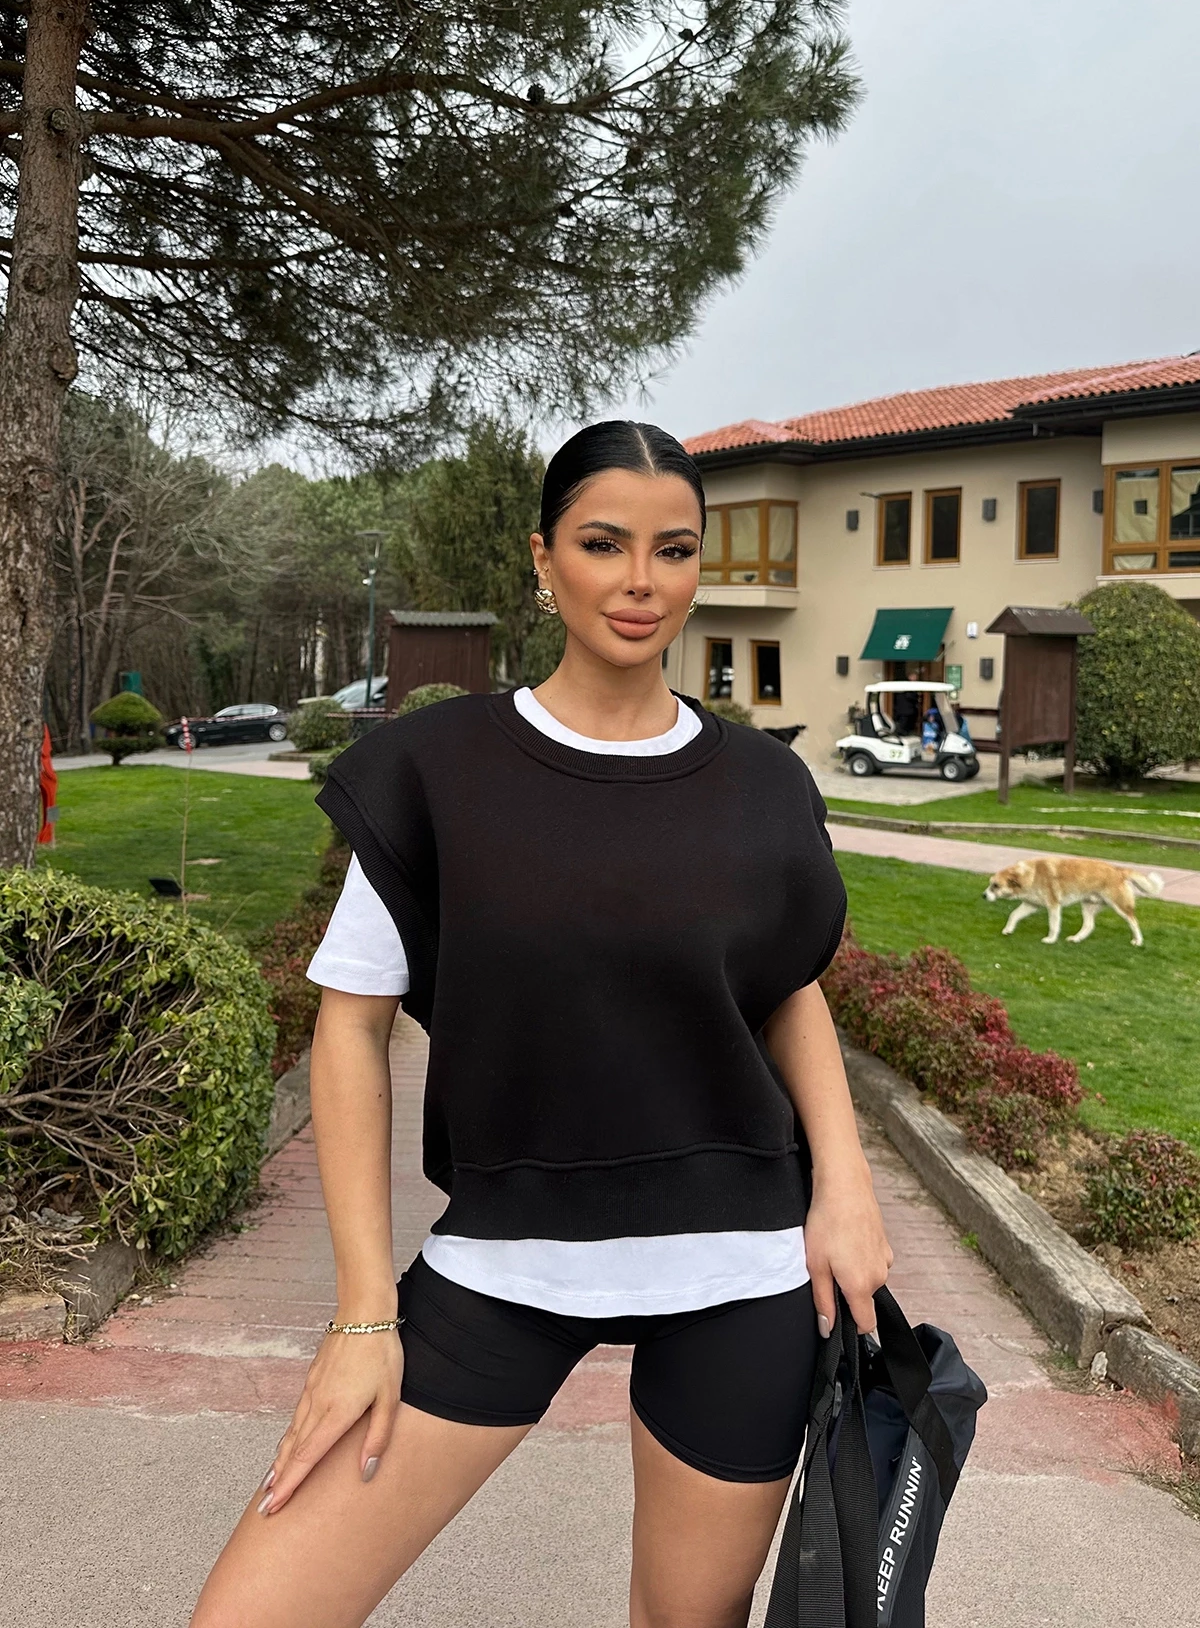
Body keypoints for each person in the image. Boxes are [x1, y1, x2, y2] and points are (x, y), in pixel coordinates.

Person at [191, 421, 893, 1628]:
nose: (641, 581)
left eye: (674, 550)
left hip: (741, 1268)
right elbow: (349, 1031)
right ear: (543, 559)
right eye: (604, 544)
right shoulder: (433, 770)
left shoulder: (764, 785)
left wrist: (848, 1190)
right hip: (505, 1258)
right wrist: (362, 1315)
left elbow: (786, 989)